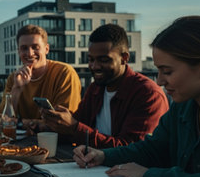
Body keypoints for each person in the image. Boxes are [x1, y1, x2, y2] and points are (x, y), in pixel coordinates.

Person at [73, 16, 200, 177]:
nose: (159, 81)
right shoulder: (182, 107)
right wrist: (102, 156)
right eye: (158, 71)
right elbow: (152, 148)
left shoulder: (151, 93)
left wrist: (146, 175)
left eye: (167, 72)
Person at [40, 24, 169, 148]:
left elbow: (132, 149)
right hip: (90, 165)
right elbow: (76, 129)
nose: (95, 66)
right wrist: (55, 124)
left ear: (124, 58)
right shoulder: (95, 89)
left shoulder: (148, 94)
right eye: (91, 60)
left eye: (104, 60)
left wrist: (74, 127)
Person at [0, 24, 81, 133]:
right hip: (24, 143)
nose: (30, 53)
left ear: (46, 49)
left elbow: (63, 123)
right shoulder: (14, 78)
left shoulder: (65, 73)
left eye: (35, 47)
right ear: (18, 51)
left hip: (60, 144)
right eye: (24, 48)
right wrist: (17, 88)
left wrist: (19, 122)